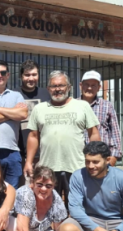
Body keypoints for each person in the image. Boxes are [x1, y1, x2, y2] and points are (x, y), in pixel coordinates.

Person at [24, 71, 100, 205]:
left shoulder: (82, 106)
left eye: (61, 85)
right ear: (48, 89)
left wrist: (95, 159)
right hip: (48, 168)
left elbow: (93, 133)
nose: (57, 89)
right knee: (49, 206)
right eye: (53, 86)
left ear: (69, 87)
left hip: (77, 167)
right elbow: (33, 136)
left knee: (77, 206)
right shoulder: (39, 109)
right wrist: (29, 162)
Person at [80, 70, 122, 166]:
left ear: (99, 87)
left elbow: (115, 133)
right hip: (79, 159)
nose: (89, 88)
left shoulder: (107, 106)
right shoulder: (73, 105)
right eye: (86, 84)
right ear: (81, 85)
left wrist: (114, 157)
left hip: (101, 160)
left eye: (94, 85)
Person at [18, 61, 51, 180]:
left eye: (34, 74)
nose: (31, 78)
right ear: (21, 76)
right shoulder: (14, 94)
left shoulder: (47, 94)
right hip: (20, 155)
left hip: (44, 155)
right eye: (27, 75)